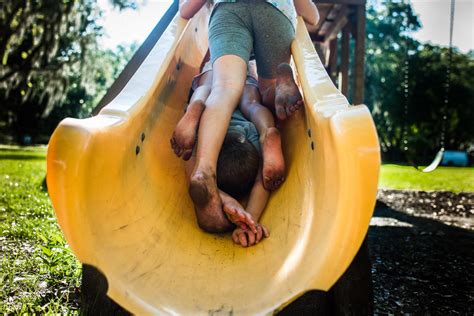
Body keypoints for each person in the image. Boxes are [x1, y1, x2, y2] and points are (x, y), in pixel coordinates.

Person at [177, 0, 319, 241]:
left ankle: (204, 169)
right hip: (275, 10)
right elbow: (312, 17)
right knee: (263, 95)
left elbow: (186, 11)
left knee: (222, 89)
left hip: (229, 11)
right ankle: (272, 111)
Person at [172, 60, 282, 247]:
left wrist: (246, 214)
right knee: (252, 103)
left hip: (219, 73)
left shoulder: (214, 141)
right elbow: (196, 174)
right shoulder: (202, 143)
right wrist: (249, 217)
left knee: (208, 87)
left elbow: (262, 182)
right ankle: (267, 130)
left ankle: (197, 102)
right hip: (238, 73)